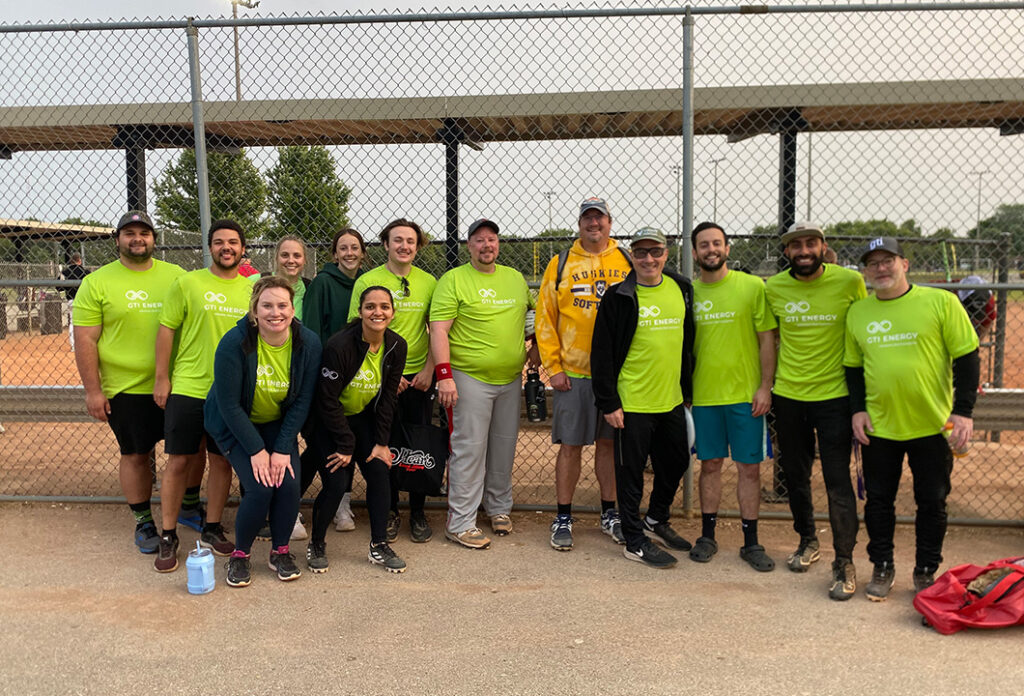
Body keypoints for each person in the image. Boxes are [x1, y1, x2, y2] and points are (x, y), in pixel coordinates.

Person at [844, 237, 979, 600]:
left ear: (904, 264)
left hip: (931, 425)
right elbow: (853, 368)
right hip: (880, 425)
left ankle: (925, 570)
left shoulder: (940, 302)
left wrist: (963, 411)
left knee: (932, 500)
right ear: (866, 271)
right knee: (877, 501)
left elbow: (967, 356)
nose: (881, 268)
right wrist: (858, 408)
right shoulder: (859, 312)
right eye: (873, 263)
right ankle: (882, 565)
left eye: (888, 260)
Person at [73, 211, 185, 554]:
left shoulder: (176, 276)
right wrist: (94, 390)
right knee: (136, 454)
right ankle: (143, 521)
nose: (138, 239)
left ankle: (191, 507)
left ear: (154, 239)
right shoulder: (98, 282)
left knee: (188, 451)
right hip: (126, 387)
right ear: (117, 239)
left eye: (145, 233)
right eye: (130, 233)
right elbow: (85, 340)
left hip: (177, 382)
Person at [765, 221, 867, 601]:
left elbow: (861, 334)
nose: (804, 250)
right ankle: (808, 540)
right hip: (789, 395)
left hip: (835, 397)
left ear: (823, 247)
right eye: (796, 245)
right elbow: (769, 339)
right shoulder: (774, 288)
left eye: (811, 243)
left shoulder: (849, 282)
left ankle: (844, 560)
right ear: (787, 252)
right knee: (795, 473)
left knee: (838, 480)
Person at [204, 277, 322, 587]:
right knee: (260, 487)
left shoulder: (308, 342)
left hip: (275, 422)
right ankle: (240, 555)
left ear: (292, 309)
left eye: (282, 305)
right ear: (255, 310)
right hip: (234, 422)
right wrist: (257, 452)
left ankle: (279, 551)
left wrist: (282, 448)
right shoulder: (235, 342)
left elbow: (303, 400)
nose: (275, 312)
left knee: (287, 483)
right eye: (267, 305)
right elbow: (229, 405)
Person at [430, 218, 539, 549]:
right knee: (469, 449)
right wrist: (444, 375)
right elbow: (439, 330)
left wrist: (534, 344)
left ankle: (498, 507)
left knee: (503, 447)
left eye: (491, 239)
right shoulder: (454, 280)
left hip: (509, 377)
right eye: (479, 240)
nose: (486, 245)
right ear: (469, 246)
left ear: (498, 244)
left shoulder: (514, 278)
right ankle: (460, 522)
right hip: (469, 376)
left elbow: (529, 314)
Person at [591, 227, 695, 569]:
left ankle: (656, 519)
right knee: (631, 474)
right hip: (632, 401)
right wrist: (609, 402)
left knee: (677, 461)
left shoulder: (681, 288)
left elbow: (688, 340)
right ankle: (634, 541)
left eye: (655, 252)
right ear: (631, 256)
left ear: (666, 254)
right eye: (641, 253)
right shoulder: (619, 295)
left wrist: (687, 391)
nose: (648, 259)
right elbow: (602, 352)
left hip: (671, 399)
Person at [153, 219, 253, 573]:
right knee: (179, 460)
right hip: (189, 387)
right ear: (209, 247)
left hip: (230, 393)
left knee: (222, 461)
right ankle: (168, 534)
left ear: (243, 249)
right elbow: (167, 331)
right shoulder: (188, 283)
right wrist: (162, 379)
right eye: (219, 242)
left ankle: (211, 527)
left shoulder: (252, 288)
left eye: (233, 242)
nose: (226, 247)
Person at [535, 197, 631, 551]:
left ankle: (610, 512)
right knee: (571, 446)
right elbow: (545, 317)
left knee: (609, 445)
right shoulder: (561, 263)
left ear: (609, 222)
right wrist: (554, 368)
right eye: (588, 218)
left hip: (617, 376)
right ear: (580, 224)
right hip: (573, 373)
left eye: (600, 218)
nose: (594, 224)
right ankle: (563, 516)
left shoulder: (626, 260)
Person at [689, 222, 777, 572]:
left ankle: (751, 542)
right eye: (704, 245)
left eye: (717, 243)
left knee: (749, 469)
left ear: (727, 248)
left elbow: (766, 339)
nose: (711, 249)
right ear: (694, 253)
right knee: (709, 465)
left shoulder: (752, 287)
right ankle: (707, 535)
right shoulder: (688, 293)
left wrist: (765, 386)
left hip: (745, 397)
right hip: (705, 397)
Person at [305, 286, 408, 573]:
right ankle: (317, 543)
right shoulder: (339, 346)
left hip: (361, 419)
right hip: (327, 421)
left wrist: (381, 442)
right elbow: (326, 401)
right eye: (371, 307)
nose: (378, 312)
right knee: (337, 482)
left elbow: (388, 397)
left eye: (384, 307)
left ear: (392, 313)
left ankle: (378, 545)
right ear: (360, 312)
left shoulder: (397, 345)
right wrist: (346, 445)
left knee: (378, 471)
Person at [347, 219, 437, 543]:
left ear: (418, 246)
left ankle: (418, 511)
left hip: (419, 379)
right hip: (382, 376)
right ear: (386, 244)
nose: (404, 246)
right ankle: (391, 511)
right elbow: (355, 332)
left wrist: (430, 369)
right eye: (397, 240)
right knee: (385, 443)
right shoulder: (368, 281)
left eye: (410, 241)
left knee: (417, 444)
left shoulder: (428, 282)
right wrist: (385, 376)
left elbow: (437, 330)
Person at [303, 227, 366, 532]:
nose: (350, 253)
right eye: (343, 248)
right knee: (318, 447)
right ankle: (288, 508)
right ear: (334, 254)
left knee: (348, 440)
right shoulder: (323, 284)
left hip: (359, 378)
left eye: (355, 247)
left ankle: (343, 505)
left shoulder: (369, 284)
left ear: (363, 252)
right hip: (328, 377)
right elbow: (312, 333)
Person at [264, 236, 311, 321]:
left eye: (297, 256)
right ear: (276, 258)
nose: (291, 260)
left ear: (304, 260)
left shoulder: (310, 288)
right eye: (285, 255)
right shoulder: (255, 281)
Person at [61, 252, 89, 351]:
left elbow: (58, 287)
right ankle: (86, 344)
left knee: (73, 322)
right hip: (85, 300)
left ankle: (74, 346)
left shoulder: (65, 272)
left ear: (71, 261)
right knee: (87, 322)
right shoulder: (86, 272)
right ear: (79, 261)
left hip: (71, 299)